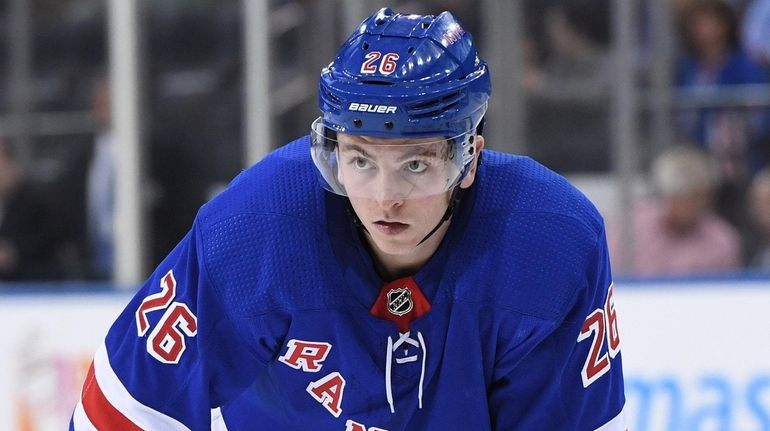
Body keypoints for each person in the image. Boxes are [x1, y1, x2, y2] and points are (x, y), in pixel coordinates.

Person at [70, 8, 626, 430]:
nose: (386, 197)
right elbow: (123, 409)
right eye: (360, 160)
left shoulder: (549, 240)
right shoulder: (258, 227)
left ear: (469, 158)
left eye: (416, 162)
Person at [610, 145, 741, 276]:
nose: (697, 204)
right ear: (669, 194)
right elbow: (612, 278)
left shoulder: (721, 239)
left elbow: (725, 291)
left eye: (703, 196)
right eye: (689, 196)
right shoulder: (632, 227)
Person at [0, 140, 67, 281]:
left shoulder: (39, 202)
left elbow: (51, 240)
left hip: (32, 288)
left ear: (14, 167)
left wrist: (14, 253)